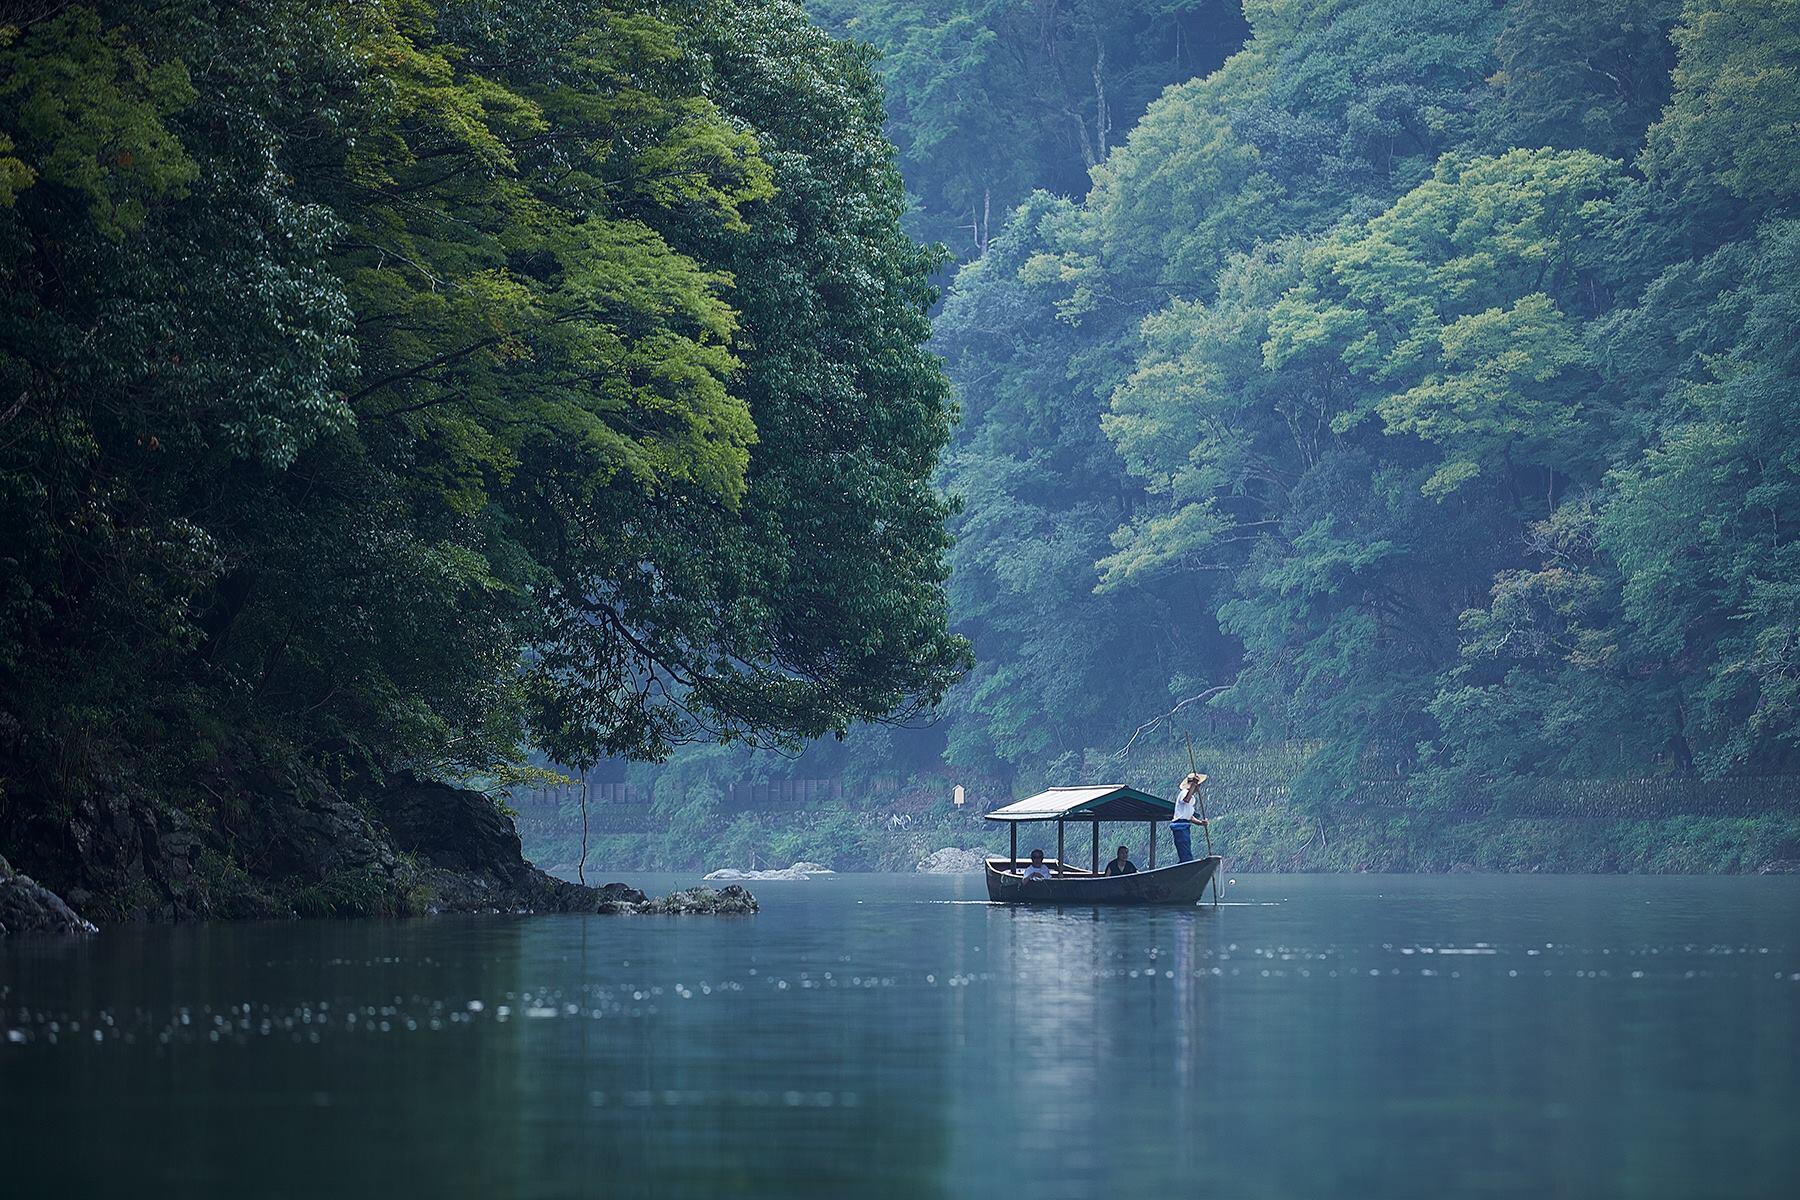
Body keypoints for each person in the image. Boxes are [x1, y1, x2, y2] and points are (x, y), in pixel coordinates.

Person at [1170, 772, 1209, 864]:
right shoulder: (1184, 793)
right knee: (1184, 852)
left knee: (1186, 849)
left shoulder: (1192, 798)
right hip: (1180, 826)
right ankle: (1185, 864)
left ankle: (1186, 863)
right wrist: (1193, 785)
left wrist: (1201, 823)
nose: (1199, 788)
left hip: (1185, 825)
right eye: (1198, 785)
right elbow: (1186, 800)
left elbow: (1190, 816)